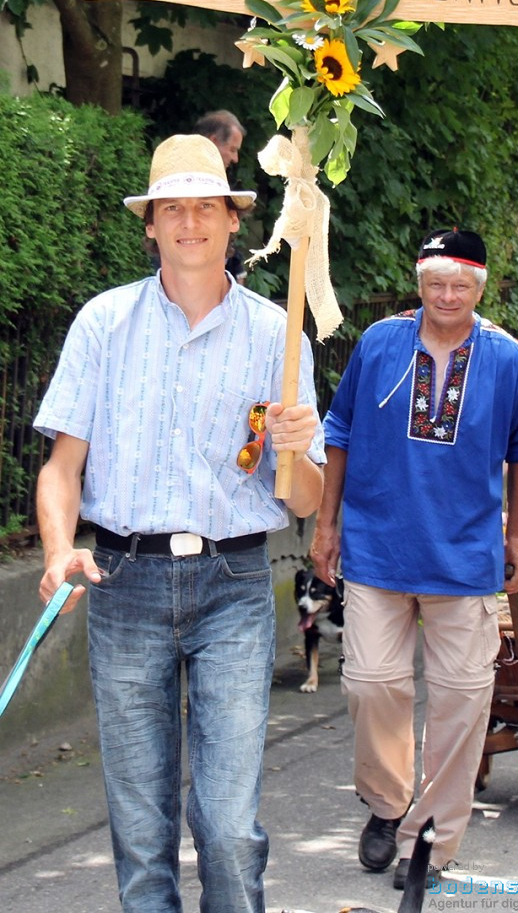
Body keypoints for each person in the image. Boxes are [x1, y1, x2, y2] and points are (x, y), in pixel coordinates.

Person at [33, 134, 325, 913]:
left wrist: (299, 453)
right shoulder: (104, 324)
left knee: (228, 829)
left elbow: (304, 500)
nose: (189, 221)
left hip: (233, 583)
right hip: (124, 579)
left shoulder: (277, 335)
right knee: (140, 831)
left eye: (205, 206)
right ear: (151, 225)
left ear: (234, 222)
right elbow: (62, 466)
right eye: (173, 209)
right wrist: (60, 549)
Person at [310, 228, 518, 890]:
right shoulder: (380, 342)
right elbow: (340, 432)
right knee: (372, 683)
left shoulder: (508, 360)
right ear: (420, 284)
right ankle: (387, 803)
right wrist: (326, 526)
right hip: (377, 548)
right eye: (436, 283)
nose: (448, 295)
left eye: (461, 285)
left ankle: (430, 846)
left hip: (465, 557)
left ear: (479, 287)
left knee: (463, 700)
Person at [195, 110, 249, 283]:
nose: (235, 158)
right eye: (232, 149)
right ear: (213, 142)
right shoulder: (188, 182)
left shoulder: (218, 180)